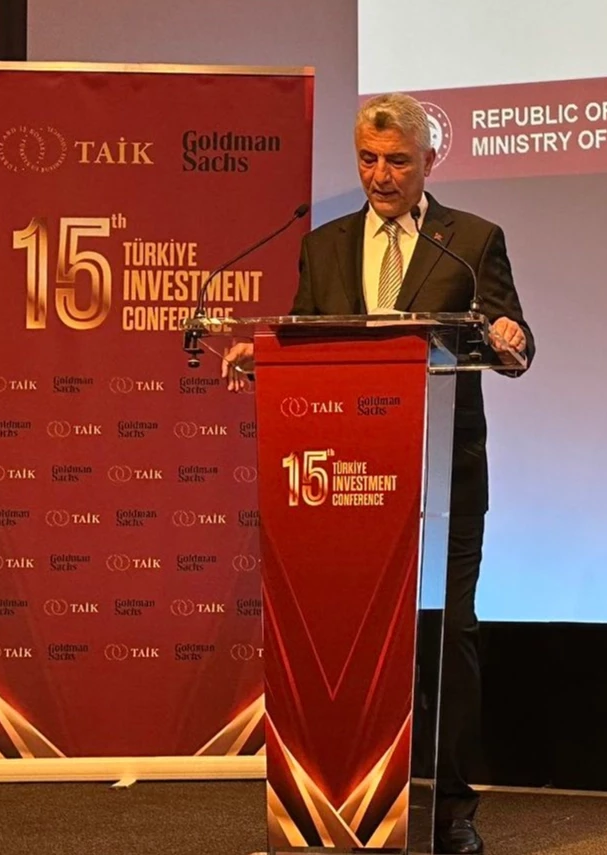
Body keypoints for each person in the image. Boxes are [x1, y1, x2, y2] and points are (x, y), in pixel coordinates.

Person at [222, 92, 535, 855]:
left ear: (428, 160)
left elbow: (513, 346)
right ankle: (339, 793)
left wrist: (508, 335)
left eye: (395, 160)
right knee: (343, 635)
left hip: (444, 476)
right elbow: (306, 338)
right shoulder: (324, 246)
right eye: (367, 159)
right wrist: (260, 356)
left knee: (450, 632)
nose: (380, 175)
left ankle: (451, 810)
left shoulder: (471, 241)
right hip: (345, 479)